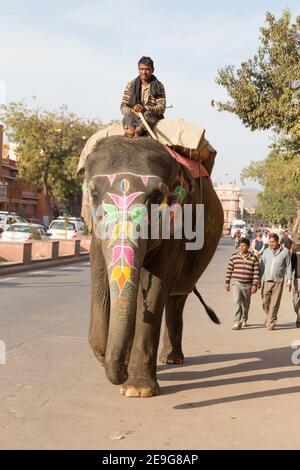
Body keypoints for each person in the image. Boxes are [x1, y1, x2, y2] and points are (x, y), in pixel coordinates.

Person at [120, 56, 166, 138]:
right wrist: (133, 111)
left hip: (150, 117)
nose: (144, 72)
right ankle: (130, 131)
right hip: (134, 116)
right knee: (127, 116)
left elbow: (161, 108)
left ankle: (138, 133)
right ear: (138, 69)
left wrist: (144, 108)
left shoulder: (159, 86)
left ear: (152, 70)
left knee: (149, 115)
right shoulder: (130, 85)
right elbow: (123, 106)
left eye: (147, 69)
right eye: (141, 69)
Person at [225, 237, 259, 330]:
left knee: (246, 304)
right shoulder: (234, 256)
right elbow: (229, 270)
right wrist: (227, 282)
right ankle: (236, 322)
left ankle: (244, 319)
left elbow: (256, 272)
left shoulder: (253, 258)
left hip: (248, 284)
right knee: (237, 302)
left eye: (244, 246)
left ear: (248, 247)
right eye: (240, 246)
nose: (242, 247)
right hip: (236, 283)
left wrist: (255, 285)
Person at [260, 233, 292, 330]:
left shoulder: (285, 251)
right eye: (270, 242)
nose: (271, 244)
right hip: (266, 280)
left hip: (278, 281)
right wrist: (258, 280)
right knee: (265, 302)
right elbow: (261, 267)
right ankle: (269, 316)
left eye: (273, 242)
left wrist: (289, 280)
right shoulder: (265, 252)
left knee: (274, 303)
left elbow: (288, 266)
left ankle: (271, 321)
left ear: (278, 241)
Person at [292, 238, 300, 328]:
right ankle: (297, 314)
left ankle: (299, 319)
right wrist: (288, 280)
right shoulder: (295, 249)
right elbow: (291, 265)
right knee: (295, 301)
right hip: (297, 279)